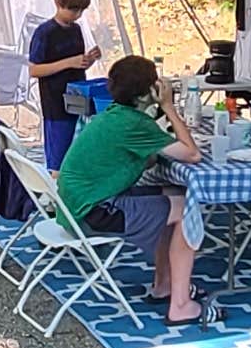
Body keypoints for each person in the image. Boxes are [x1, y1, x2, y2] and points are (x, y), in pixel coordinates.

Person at [55, 54, 210, 327]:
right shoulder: (135, 123)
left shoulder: (115, 115)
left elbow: (147, 159)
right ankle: (181, 306)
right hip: (93, 214)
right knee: (187, 210)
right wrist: (169, 108)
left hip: (73, 208)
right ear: (147, 92)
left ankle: (164, 284)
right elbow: (192, 154)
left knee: (175, 194)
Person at [23, 0, 101, 167]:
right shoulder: (44, 33)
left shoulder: (76, 30)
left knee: (78, 153)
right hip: (55, 104)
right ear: (58, 2)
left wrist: (88, 60)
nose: (77, 14)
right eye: (73, 9)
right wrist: (68, 62)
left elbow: (77, 64)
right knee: (59, 157)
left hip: (78, 99)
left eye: (81, 10)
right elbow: (34, 70)